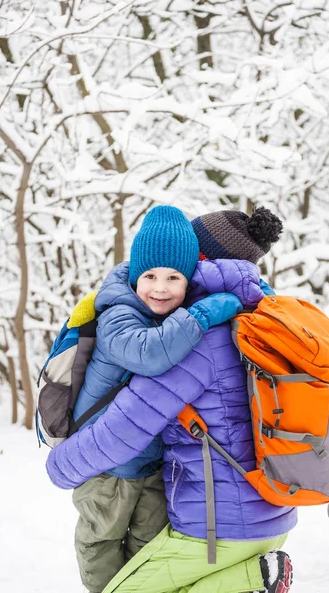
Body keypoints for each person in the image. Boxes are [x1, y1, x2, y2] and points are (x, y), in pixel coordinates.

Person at [47, 207, 297, 593]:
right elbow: (141, 379)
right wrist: (199, 312)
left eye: (174, 275)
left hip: (170, 478)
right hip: (112, 469)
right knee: (101, 543)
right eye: (150, 275)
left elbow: (140, 413)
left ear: (197, 266)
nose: (160, 287)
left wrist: (61, 467)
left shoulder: (199, 333)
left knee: (144, 557)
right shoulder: (249, 318)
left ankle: (253, 578)